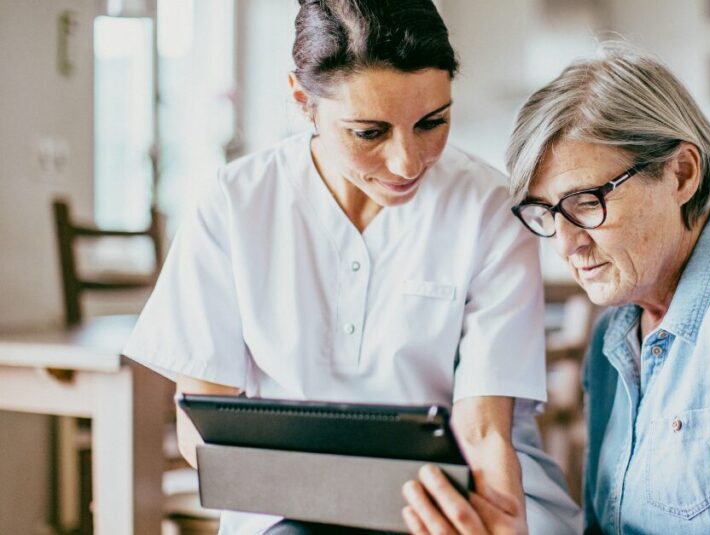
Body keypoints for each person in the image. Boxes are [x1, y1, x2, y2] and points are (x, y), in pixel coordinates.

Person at [122, 1, 580, 533]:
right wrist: (333, 497)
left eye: (433, 122)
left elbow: (483, 431)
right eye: (369, 132)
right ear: (303, 100)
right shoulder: (235, 202)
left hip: (464, 491)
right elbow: (202, 427)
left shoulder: (490, 208)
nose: (407, 162)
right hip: (287, 504)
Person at [405, 42, 710, 534]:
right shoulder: (614, 336)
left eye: (585, 202)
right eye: (547, 214)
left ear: (681, 173)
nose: (566, 245)